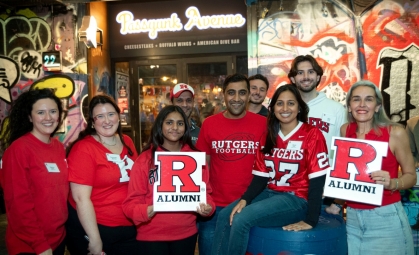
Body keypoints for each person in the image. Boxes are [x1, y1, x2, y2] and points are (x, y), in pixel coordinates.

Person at [211, 84, 330, 255]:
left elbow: (318, 180)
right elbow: (260, 177)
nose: (285, 108)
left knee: (241, 219)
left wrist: (311, 219)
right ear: (272, 108)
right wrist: (245, 199)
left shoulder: (312, 134)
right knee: (225, 216)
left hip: (296, 198)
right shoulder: (269, 135)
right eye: (280, 103)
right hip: (270, 193)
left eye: (291, 103)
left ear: (299, 107)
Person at [122, 105, 215, 255]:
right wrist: (146, 211)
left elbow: (207, 194)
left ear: (185, 128)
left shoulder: (196, 158)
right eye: (169, 122)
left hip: (186, 234)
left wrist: (208, 208)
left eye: (180, 123)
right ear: (160, 125)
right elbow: (130, 204)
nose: (175, 127)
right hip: (151, 236)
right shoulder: (145, 159)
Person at [196, 73, 267, 255]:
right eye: (231, 93)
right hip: (215, 208)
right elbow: (203, 166)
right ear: (223, 95)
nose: (236, 98)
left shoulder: (264, 124)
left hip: (251, 206)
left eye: (242, 93)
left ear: (249, 95)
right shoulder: (210, 124)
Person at [342, 80, 415, 255]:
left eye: (369, 99)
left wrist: (393, 183)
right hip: (351, 218)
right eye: (356, 99)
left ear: (377, 106)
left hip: (385, 218)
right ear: (349, 106)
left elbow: (411, 176)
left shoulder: (395, 133)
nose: (362, 105)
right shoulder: (345, 130)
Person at [66, 94, 139, 255]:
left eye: (111, 114)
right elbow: (80, 198)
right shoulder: (84, 149)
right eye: (100, 116)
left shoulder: (127, 141)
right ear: (92, 122)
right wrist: (95, 239)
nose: (107, 120)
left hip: (128, 227)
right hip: (98, 228)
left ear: (119, 116)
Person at [1, 88, 68, 255]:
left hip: (57, 240)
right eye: (41, 112)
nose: (48, 117)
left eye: (53, 111)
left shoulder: (59, 147)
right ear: (30, 117)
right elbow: (17, 204)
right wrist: (40, 245)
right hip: (31, 246)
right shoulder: (19, 149)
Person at [288, 55, 346, 214]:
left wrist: (337, 198)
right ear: (293, 78)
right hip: (289, 187)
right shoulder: (285, 109)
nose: (306, 77)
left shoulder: (336, 109)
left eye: (310, 72)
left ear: (318, 76)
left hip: (325, 190)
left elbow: (344, 154)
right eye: (300, 73)